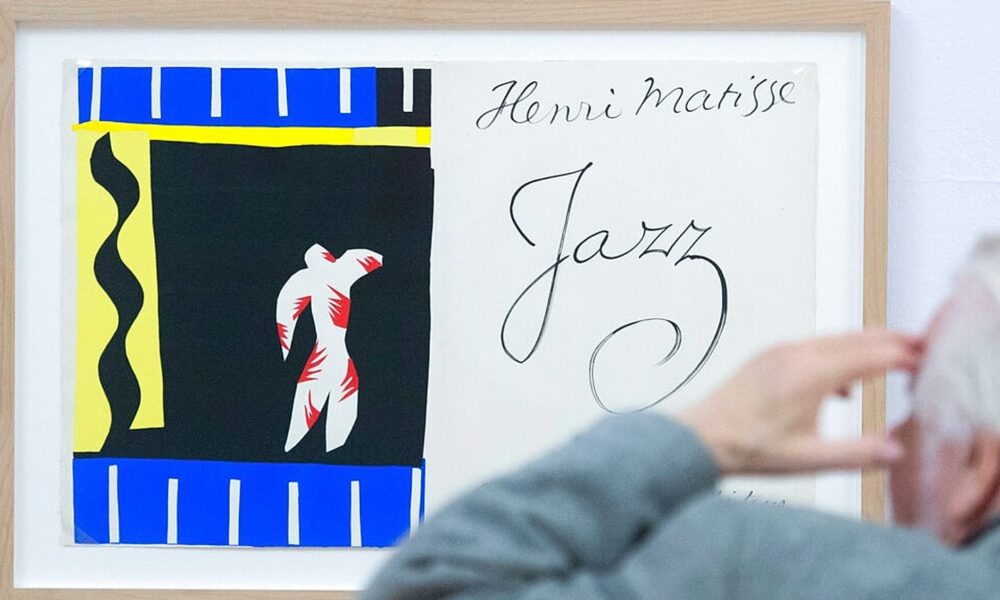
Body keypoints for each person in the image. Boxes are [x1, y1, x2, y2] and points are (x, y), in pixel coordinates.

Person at [363, 238, 1000, 600]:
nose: (895, 435)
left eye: (914, 402)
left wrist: (706, 434)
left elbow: (429, 589)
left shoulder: (753, 565)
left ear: (978, 466)